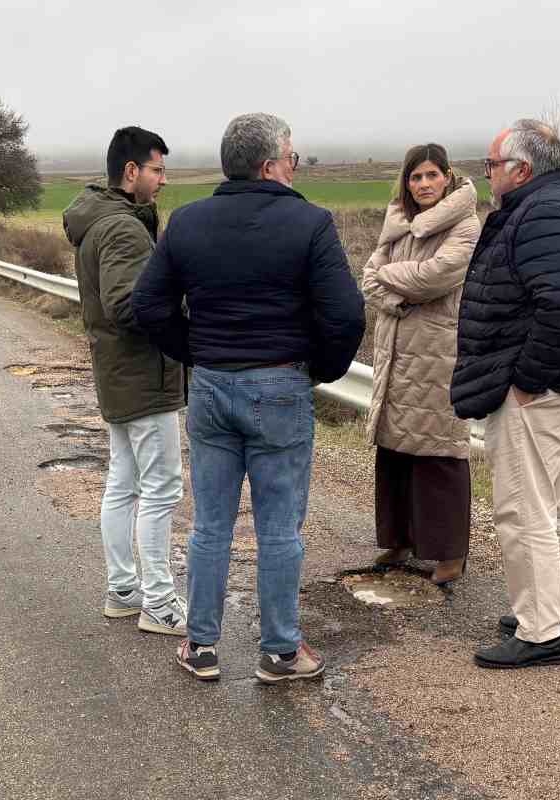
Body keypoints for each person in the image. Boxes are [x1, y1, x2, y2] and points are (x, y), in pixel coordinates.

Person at [132, 113, 365, 683]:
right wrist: (318, 370)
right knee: (279, 527)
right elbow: (346, 314)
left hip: (211, 385)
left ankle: (202, 647)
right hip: (281, 386)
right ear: (269, 165)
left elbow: (147, 306)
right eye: (291, 157)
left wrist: (196, 350)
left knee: (210, 524)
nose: (295, 165)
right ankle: (281, 653)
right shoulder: (310, 223)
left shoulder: (186, 222)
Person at [451, 119, 560, 669]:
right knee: (552, 502)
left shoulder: (542, 212)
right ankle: (557, 611)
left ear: (521, 170)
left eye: (493, 164)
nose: (488, 173)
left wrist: (527, 379)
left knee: (524, 508)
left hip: (542, 390)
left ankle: (539, 629)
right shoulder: (553, 205)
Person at [62, 126, 189, 636]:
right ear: (131, 171)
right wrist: (181, 312)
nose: (162, 180)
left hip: (118, 373)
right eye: (157, 170)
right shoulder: (122, 229)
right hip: (143, 376)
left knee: (123, 483)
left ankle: (122, 590)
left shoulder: (102, 220)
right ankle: (158, 604)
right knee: (160, 489)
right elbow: (127, 304)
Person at [362, 143, 480, 586]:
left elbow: (436, 277)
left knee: (439, 451)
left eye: (432, 175)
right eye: (416, 177)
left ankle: (450, 552)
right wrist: (396, 296)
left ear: (448, 176)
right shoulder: (399, 224)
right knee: (394, 449)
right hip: (395, 349)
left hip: (436, 353)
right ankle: (400, 538)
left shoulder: (466, 225)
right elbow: (367, 280)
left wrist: (388, 279)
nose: (424, 184)